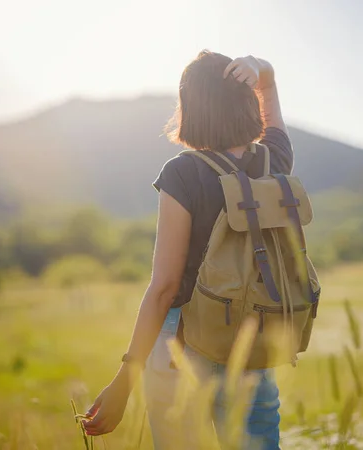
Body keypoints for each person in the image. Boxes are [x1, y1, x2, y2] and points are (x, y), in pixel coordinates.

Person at [83, 50, 294, 449]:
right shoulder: (274, 161)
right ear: (246, 98)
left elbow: (164, 286)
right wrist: (260, 72)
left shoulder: (183, 172)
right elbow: (272, 99)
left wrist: (124, 381)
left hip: (181, 344)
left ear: (190, 108)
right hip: (251, 342)